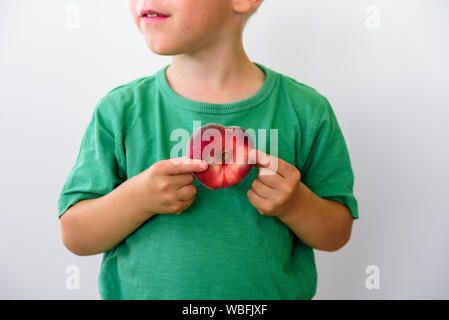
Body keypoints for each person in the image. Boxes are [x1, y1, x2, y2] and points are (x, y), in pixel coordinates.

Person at [57, 0, 358, 299]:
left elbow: (336, 234)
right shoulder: (120, 111)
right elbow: (75, 236)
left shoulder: (306, 111)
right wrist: (138, 199)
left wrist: (296, 205)